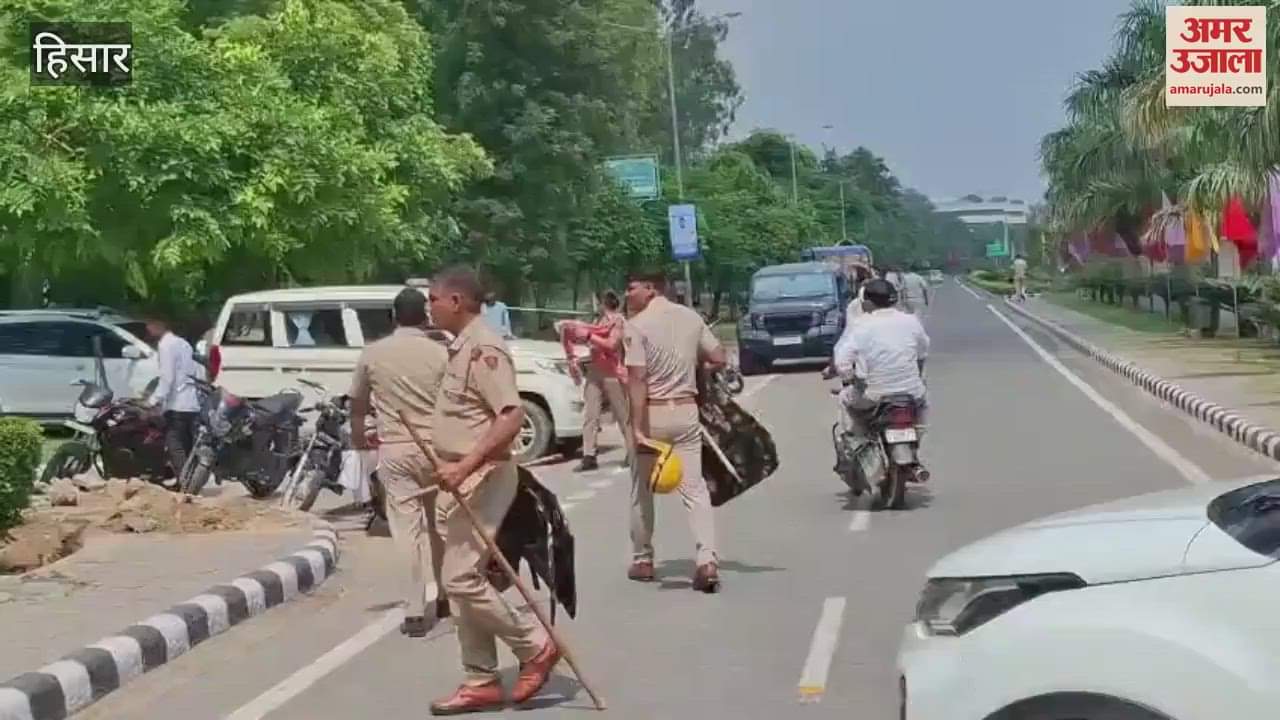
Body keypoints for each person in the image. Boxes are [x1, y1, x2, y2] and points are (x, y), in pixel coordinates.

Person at [426, 266, 558, 715]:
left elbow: (511, 416)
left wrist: (464, 464)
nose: (430, 308)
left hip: (482, 476)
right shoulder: (460, 346)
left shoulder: (484, 346)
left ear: (456, 302)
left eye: (433, 299)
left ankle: (535, 646)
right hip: (460, 479)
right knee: (465, 583)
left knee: (459, 578)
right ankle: (480, 677)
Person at [349, 287, 450, 639]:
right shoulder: (441, 354)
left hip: (396, 448)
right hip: (437, 449)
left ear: (393, 317)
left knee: (408, 530)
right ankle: (445, 594)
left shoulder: (373, 353)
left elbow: (358, 403)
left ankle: (415, 606)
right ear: (425, 316)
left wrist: (360, 438)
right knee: (439, 524)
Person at [623, 270, 727, 593]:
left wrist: (637, 429)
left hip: (653, 414)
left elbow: (637, 380)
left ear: (650, 289)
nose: (628, 295)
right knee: (694, 489)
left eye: (632, 288)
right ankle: (706, 559)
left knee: (642, 489)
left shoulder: (636, 327)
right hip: (685, 410)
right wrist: (696, 372)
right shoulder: (691, 318)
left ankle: (643, 559)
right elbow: (719, 356)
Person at [831, 278, 929, 441]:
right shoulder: (911, 321)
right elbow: (922, 352)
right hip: (912, 394)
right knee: (924, 402)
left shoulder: (861, 325)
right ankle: (917, 438)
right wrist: (917, 375)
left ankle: (857, 440)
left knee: (844, 398)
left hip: (874, 396)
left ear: (867, 302)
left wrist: (852, 380)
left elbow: (842, 363)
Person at [571, 291, 631, 472]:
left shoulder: (618, 321)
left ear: (603, 303)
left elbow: (612, 345)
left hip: (613, 371)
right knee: (591, 415)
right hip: (595, 371)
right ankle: (589, 455)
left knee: (622, 414)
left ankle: (633, 450)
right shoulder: (598, 322)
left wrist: (589, 337)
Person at [145, 316, 201, 482]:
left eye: (149, 326)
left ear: (158, 325)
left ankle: (185, 481)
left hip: (177, 404)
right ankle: (191, 480)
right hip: (192, 402)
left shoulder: (165, 345)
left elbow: (167, 377)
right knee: (188, 446)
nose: (147, 330)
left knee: (174, 443)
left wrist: (152, 401)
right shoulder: (183, 343)